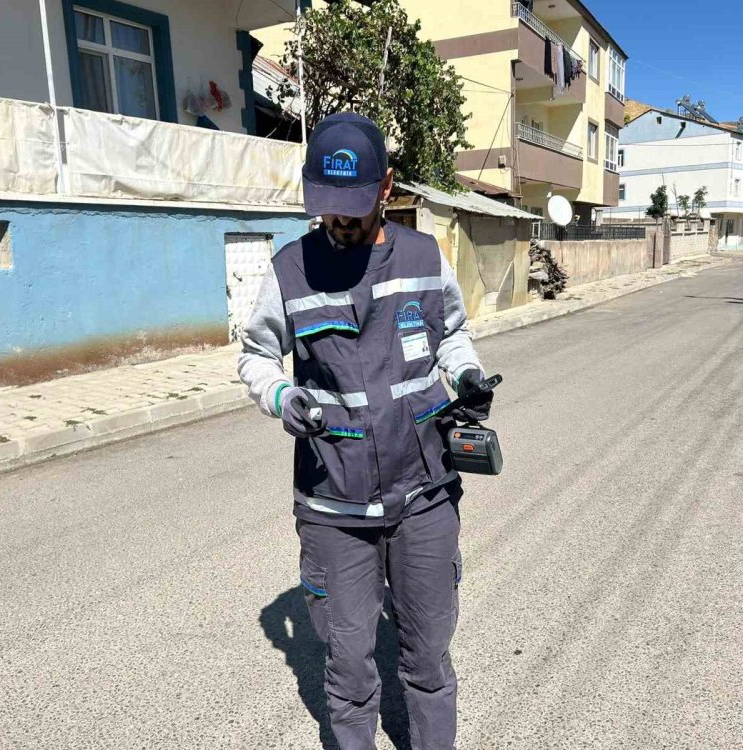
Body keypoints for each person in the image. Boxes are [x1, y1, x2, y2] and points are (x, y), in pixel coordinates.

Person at [238, 112, 492, 750]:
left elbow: (453, 334)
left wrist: (466, 377)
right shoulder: (289, 269)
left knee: (429, 662)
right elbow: (255, 355)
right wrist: (278, 394)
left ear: (386, 188)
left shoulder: (425, 257)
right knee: (349, 672)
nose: (340, 222)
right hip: (334, 502)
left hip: (423, 494)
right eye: (328, 207)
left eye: (354, 206)